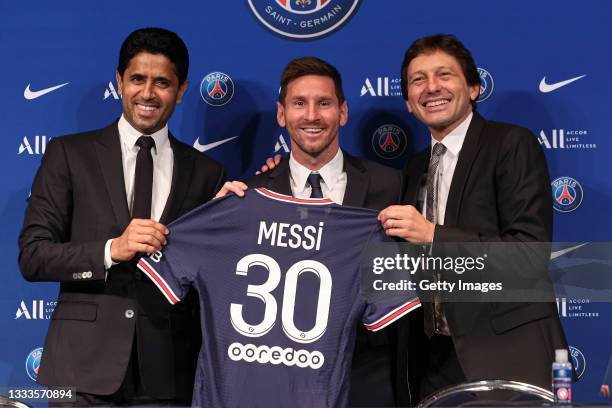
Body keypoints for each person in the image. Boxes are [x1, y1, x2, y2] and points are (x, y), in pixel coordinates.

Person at [18, 27, 225, 406]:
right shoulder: (69, 154)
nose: (148, 93)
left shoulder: (208, 173)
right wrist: (112, 249)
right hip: (82, 371)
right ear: (119, 82)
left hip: (169, 374)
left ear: (180, 90)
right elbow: (33, 257)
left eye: (162, 82)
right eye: (137, 79)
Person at [378, 34, 569, 403]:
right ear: (408, 103)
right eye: (419, 80)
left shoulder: (511, 144)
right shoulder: (414, 166)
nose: (431, 87)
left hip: (508, 354)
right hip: (434, 362)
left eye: (444, 75)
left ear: (474, 88)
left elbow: (529, 255)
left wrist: (434, 235)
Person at [218, 56, 405, 406]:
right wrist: (219, 221)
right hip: (277, 380)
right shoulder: (249, 195)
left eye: (324, 103)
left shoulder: (390, 184)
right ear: (281, 114)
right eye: (299, 103)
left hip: (366, 377)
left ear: (343, 112)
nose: (312, 116)